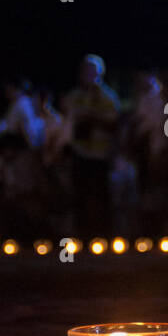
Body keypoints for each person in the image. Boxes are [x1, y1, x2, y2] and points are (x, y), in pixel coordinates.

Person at [62, 54, 120, 235]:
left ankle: (103, 236)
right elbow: (69, 121)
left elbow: (114, 123)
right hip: (80, 152)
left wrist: (93, 117)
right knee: (79, 195)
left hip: (100, 154)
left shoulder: (108, 97)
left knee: (101, 196)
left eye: (91, 70)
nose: (87, 74)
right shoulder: (74, 96)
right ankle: (82, 236)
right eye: (85, 70)